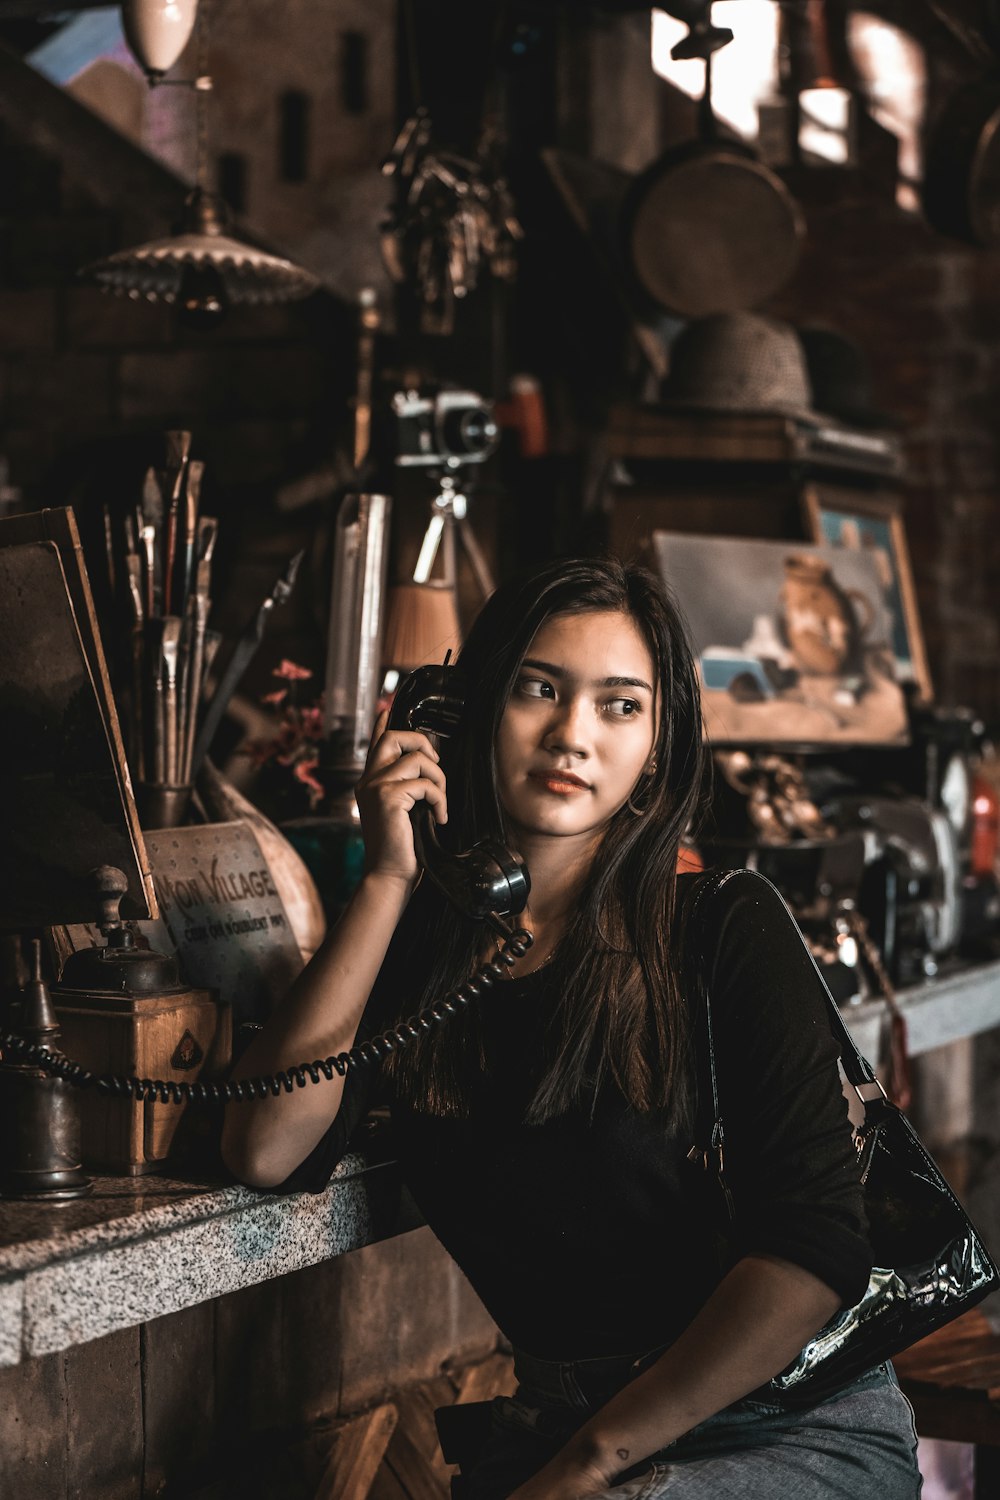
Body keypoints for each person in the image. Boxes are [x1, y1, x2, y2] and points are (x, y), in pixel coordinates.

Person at [221, 557, 922, 1499]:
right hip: (554, 1429)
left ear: (657, 747)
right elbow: (265, 1146)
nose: (571, 735)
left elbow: (812, 1255)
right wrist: (390, 877)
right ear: (464, 714)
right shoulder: (422, 955)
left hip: (784, 1423)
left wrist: (591, 1465)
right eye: (538, 689)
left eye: (619, 706)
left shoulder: (722, 926)